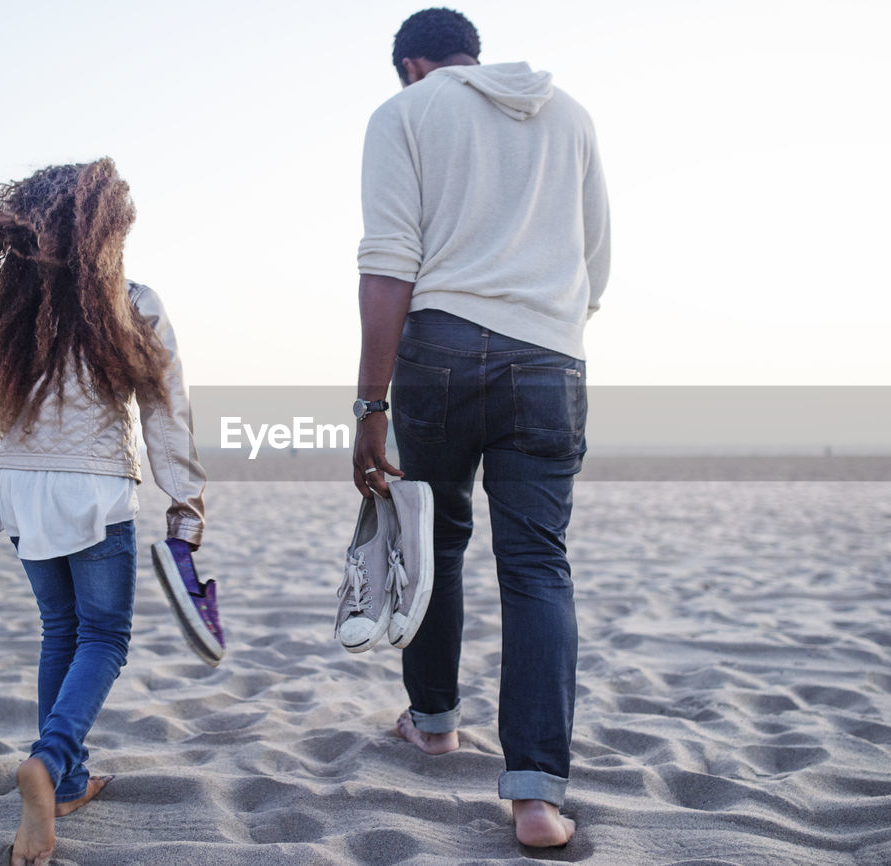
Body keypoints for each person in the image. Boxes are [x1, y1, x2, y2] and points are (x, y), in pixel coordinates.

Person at [351, 8, 610, 848]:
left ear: (413, 65)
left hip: (443, 350)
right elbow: (596, 258)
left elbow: (389, 262)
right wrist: (550, 329)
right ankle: (535, 796)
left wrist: (370, 405)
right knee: (539, 567)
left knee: (438, 540)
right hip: (549, 356)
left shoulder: (405, 113)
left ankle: (433, 723)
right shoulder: (569, 114)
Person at [0, 159, 222, 866]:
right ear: (107, 229)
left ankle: (68, 781)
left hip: (21, 487)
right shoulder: (133, 303)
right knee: (105, 638)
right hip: (94, 492)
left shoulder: (13, 310)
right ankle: (50, 762)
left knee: (60, 630)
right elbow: (166, 413)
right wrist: (186, 507)